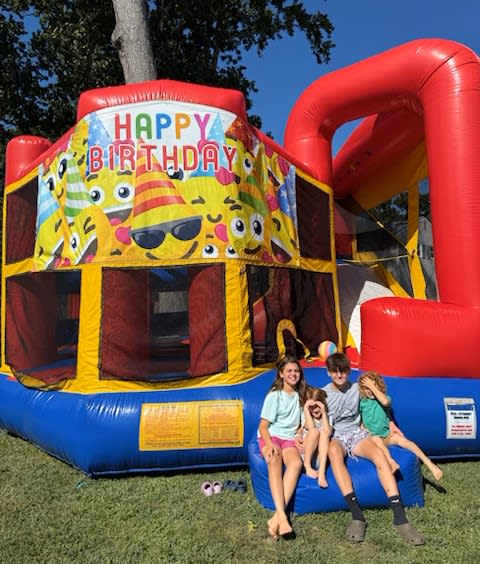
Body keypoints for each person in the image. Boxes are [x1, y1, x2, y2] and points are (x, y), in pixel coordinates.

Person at [322, 352, 425, 545]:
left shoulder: (357, 389)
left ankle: (400, 518)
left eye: (343, 370)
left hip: (357, 433)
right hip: (337, 435)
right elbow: (312, 414)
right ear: (328, 372)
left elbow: (382, 403)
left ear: (348, 371)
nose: (339, 375)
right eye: (334, 371)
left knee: (379, 455)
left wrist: (390, 420)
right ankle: (357, 516)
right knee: (334, 452)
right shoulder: (324, 394)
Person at [359, 371, 443, 481]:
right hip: (373, 437)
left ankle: (429, 463)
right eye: (367, 388)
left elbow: (385, 403)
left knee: (403, 440)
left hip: (387, 435)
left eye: (373, 386)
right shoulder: (363, 402)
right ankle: (391, 462)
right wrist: (363, 428)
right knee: (377, 440)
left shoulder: (386, 398)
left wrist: (372, 387)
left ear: (379, 386)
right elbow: (359, 419)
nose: (370, 390)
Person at [258, 356, 307, 540]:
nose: (293, 374)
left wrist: (300, 433)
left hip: (289, 438)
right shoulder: (275, 396)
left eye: (296, 371)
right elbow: (263, 426)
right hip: (272, 436)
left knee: (296, 464)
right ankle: (283, 517)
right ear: (281, 374)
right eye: (289, 371)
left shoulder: (301, 396)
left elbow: (302, 424)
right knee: (274, 459)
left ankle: (276, 518)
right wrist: (269, 444)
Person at [300, 386, 331, 487]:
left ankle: (321, 473)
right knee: (314, 431)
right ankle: (306, 466)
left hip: (320, 459)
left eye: (318, 406)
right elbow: (311, 428)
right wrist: (305, 409)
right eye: (312, 407)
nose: (315, 409)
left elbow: (328, 432)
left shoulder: (328, 417)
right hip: (306, 455)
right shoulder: (305, 416)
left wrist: (324, 412)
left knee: (324, 433)